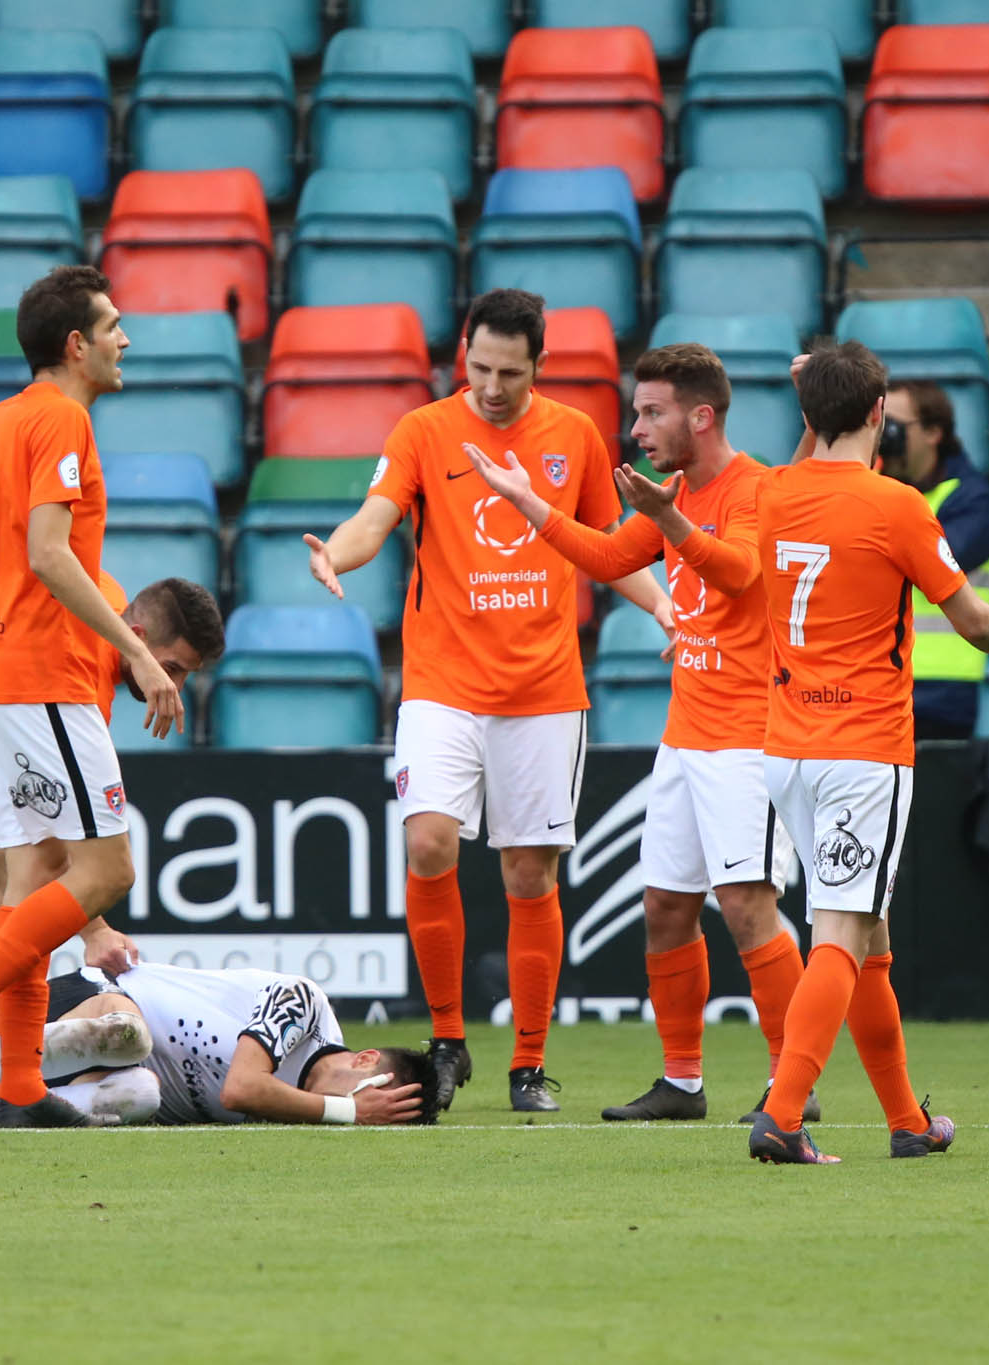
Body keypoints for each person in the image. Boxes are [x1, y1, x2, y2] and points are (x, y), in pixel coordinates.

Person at [303, 288, 674, 1113]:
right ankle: (446, 1040)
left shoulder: (573, 435)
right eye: (479, 367)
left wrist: (664, 606)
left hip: (542, 690)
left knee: (527, 870)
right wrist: (341, 554)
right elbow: (377, 515)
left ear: (538, 365)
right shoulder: (424, 430)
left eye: (510, 371)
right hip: (442, 683)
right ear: (461, 354)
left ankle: (529, 1064)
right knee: (430, 841)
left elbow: (612, 546)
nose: (493, 386)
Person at [465, 343, 815, 1124]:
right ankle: (682, 1082)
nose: (637, 427)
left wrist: (669, 517)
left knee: (749, 904)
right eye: (636, 411)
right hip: (686, 738)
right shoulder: (679, 491)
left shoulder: (753, 487)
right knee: (665, 906)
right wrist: (530, 502)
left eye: (651, 412)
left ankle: (795, 1081)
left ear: (701, 415)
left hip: (748, 739)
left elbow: (741, 573)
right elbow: (610, 553)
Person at [0, 265, 187, 1129]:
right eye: (113, 326)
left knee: (32, 880)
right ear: (75, 344)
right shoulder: (61, 419)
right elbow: (52, 554)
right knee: (108, 869)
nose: (124, 339)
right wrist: (139, 651)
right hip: (43, 675)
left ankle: (20, 1088)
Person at [746, 342, 989, 1165]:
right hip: (863, 749)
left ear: (807, 418)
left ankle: (907, 1119)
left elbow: (806, 456)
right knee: (843, 926)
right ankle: (782, 1112)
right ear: (880, 415)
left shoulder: (772, 493)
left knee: (867, 932)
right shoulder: (897, 506)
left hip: (788, 750)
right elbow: (972, 618)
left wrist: (811, 396)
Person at [0, 571, 224, 985]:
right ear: (135, 637)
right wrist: (96, 931)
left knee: (26, 902)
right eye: (170, 668)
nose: (173, 687)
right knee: (29, 899)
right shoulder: (80, 689)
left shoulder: (98, 590)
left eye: (185, 675)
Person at [0, 962, 435, 1128]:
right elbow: (240, 1088)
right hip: (95, 1000)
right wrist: (348, 1110)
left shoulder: (301, 1119)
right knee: (130, 1040)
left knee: (140, 1095)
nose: (364, 1118)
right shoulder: (304, 1007)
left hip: (95, 1077)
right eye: (373, 1100)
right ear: (363, 1060)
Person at [878, 381, 989, 740]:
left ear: (933, 432)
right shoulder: (877, 492)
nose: (886, 437)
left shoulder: (973, 498)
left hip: (947, 687)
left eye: (895, 427)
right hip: (884, 678)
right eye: (880, 426)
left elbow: (929, 562)